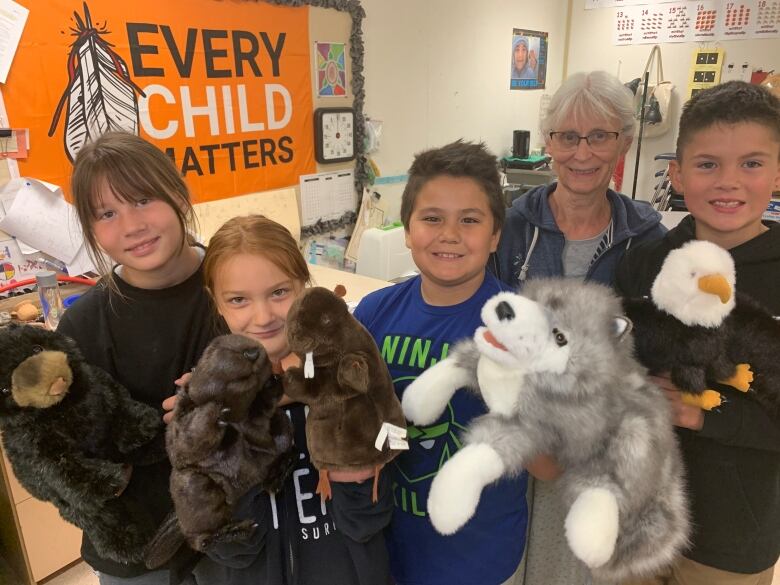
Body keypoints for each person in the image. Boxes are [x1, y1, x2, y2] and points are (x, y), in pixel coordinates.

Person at [491, 70, 667, 585]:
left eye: (599, 136)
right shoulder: (512, 226)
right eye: (567, 136)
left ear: (624, 144)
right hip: (521, 436)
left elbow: (653, 347)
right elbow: (490, 324)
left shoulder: (647, 237)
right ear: (548, 143)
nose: (582, 153)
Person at [615, 80, 780, 585]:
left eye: (751, 163)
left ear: (777, 171)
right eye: (708, 164)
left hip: (730, 540)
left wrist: (705, 414)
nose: (728, 181)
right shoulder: (642, 263)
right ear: (678, 174)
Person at [353, 140, 529, 585]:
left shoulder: (525, 326)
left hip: (479, 563)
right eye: (432, 218)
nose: (449, 234)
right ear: (407, 231)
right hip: (386, 553)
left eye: (469, 220)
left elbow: (551, 463)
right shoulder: (373, 313)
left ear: (494, 236)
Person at [188, 214, 394, 585]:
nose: (263, 316)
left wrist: (338, 418)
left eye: (279, 292)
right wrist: (239, 427)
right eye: (238, 300)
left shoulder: (349, 381)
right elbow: (229, 549)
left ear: (305, 286)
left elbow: (369, 520)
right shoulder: (212, 402)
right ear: (216, 303)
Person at [57, 131, 223, 585]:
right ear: (91, 230)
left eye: (144, 199)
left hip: (236, 531)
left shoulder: (239, 287)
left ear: (177, 193)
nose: (132, 225)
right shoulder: (82, 328)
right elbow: (59, 455)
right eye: (107, 213)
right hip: (136, 548)